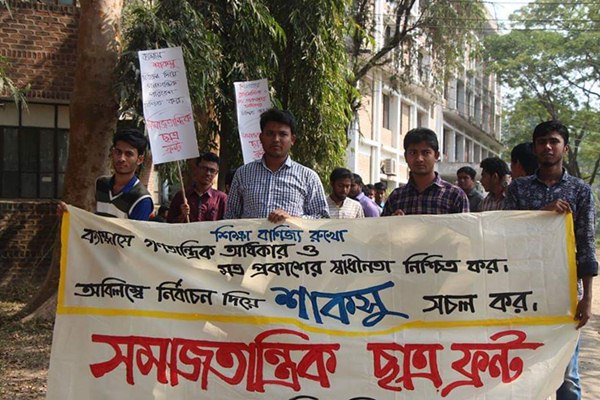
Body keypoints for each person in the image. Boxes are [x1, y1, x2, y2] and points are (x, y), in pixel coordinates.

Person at [504, 120, 597, 400]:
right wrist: (541, 215)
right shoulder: (518, 189)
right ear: (534, 148)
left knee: (567, 374)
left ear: (565, 148)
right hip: (523, 292)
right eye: (542, 142)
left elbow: (586, 245)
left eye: (554, 141)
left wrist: (587, 297)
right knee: (522, 368)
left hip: (564, 293)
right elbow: (505, 233)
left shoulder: (580, 191)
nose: (547, 147)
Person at [224, 108, 329, 222]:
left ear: (292, 139)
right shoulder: (243, 174)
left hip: (293, 234)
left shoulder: (308, 177)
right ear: (261, 137)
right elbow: (230, 217)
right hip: (250, 235)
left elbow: (322, 218)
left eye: (283, 134)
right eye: (270, 134)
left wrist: (293, 219)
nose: (276, 139)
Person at [57, 128, 153, 220]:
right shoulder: (101, 184)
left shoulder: (142, 199)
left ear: (140, 159)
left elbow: (135, 231)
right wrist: (70, 216)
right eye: (118, 152)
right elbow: (94, 221)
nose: (121, 159)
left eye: (129, 154)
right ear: (112, 152)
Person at [383, 127, 468, 215]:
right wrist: (392, 221)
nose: (419, 159)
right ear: (405, 157)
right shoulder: (396, 197)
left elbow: (465, 224)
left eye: (426, 153)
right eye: (413, 153)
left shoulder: (455, 196)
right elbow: (382, 223)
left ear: (436, 156)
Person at [167, 152, 227, 223]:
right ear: (196, 169)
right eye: (204, 168)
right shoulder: (181, 196)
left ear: (216, 173)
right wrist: (182, 216)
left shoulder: (221, 199)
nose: (208, 173)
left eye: (212, 170)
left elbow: (227, 225)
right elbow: (169, 225)